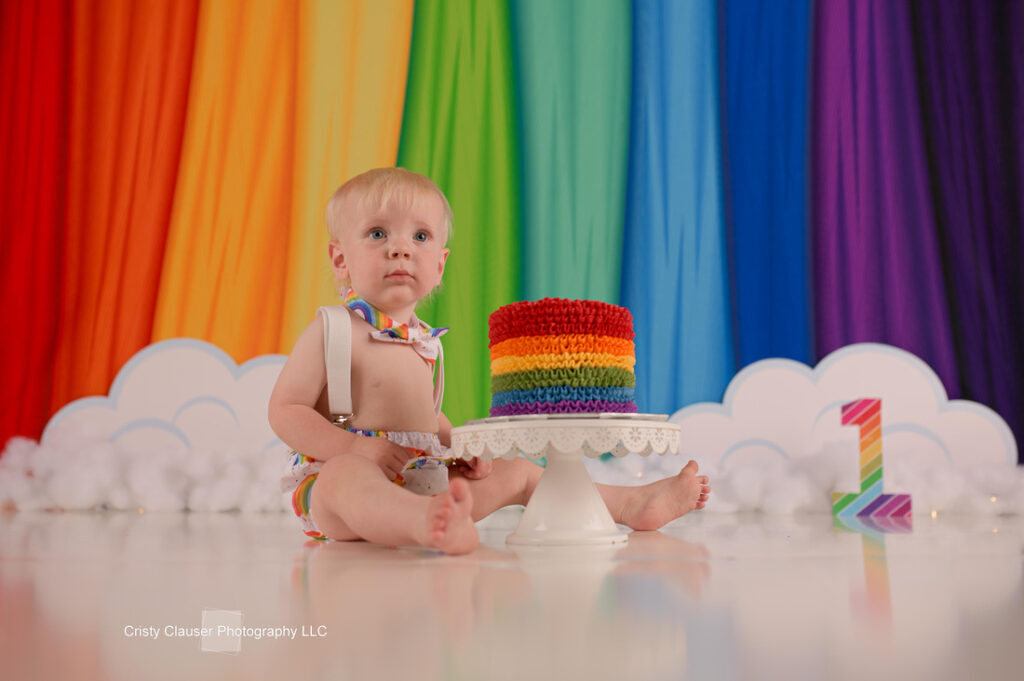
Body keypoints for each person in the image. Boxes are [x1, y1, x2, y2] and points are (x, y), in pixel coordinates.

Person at [268, 167, 710, 555]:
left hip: (423, 483)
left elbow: (429, 417)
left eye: (419, 237)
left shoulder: (427, 343)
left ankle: (627, 505)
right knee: (347, 478)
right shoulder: (334, 328)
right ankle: (423, 525)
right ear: (340, 258)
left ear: (439, 266)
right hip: (339, 497)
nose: (400, 249)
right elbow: (285, 411)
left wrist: (463, 451)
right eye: (378, 233)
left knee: (518, 472)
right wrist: (352, 448)